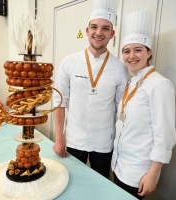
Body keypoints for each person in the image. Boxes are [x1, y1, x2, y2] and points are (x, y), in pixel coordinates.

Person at [53, 0, 128, 179]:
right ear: (87, 31)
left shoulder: (120, 68)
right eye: (94, 27)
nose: (98, 33)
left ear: (112, 34)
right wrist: (59, 138)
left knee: (100, 186)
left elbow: (122, 110)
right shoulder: (69, 62)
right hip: (73, 140)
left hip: (104, 143)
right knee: (70, 182)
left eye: (105, 28)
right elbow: (59, 102)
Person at [111, 11, 176, 199]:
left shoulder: (159, 84)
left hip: (138, 172)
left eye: (138, 50)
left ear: (149, 52)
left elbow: (165, 134)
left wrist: (153, 173)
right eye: (126, 51)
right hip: (118, 165)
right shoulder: (132, 81)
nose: (131, 56)